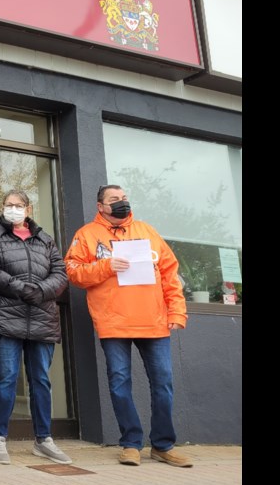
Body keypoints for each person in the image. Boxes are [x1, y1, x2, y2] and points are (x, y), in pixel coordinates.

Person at [64, 184, 192, 468]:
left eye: (124, 198)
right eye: (114, 200)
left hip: (154, 321)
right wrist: (106, 266)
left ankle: (162, 445)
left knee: (163, 385)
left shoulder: (147, 231)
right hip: (114, 322)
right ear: (101, 206)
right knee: (120, 384)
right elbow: (72, 272)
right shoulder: (86, 235)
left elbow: (171, 274)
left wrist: (177, 312)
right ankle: (131, 443)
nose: (122, 203)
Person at [0, 190, 72, 466]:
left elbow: (60, 274)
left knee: (40, 379)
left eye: (18, 205)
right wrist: (19, 288)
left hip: (41, 318)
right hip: (4, 318)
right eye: (8, 205)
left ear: (28, 208)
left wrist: (40, 291)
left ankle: (44, 440)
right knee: (6, 378)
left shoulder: (45, 239)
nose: (13, 209)